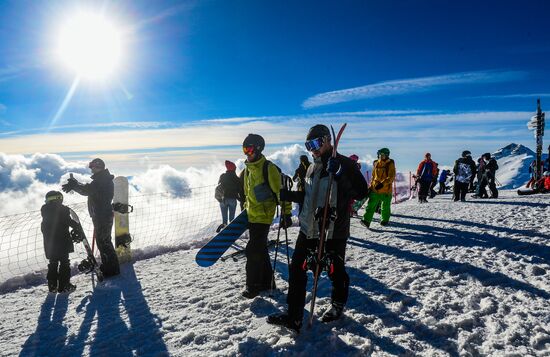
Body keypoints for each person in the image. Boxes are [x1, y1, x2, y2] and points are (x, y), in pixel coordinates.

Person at [267, 124, 369, 332]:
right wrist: (290, 196)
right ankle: (294, 317)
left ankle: (337, 304)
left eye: (315, 143)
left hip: (333, 230)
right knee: (297, 269)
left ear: (327, 140)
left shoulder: (345, 164)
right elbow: (308, 197)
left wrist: (340, 173)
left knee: (334, 270)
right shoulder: (312, 168)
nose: (312, 148)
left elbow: (361, 192)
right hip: (308, 228)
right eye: (308, 145)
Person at [240, 134, 290, 298]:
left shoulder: (268, 168)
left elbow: (281, 192)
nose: (247, 152)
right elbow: (248, 194)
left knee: (252, 250)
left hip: (264, 216)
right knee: (260, 249)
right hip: (252, 216)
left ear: (259, 148)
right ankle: (268, 283)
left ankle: (253, 286)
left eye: (249, 149)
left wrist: (286, 213)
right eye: (244, 149)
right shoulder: (248, 169)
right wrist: (245, 210)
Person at [62, 158, 120, 277]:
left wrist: (75, 185)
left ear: (99, 167)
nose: (92, 169)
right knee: (103, 241)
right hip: (101, 214)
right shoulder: (102, 179)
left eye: (93, 167)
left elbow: (87, 190)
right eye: (91, 167)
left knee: (104, 242)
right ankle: (110, 267)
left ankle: (111, 270)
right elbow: (89, 189)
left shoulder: (101, 179)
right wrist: (75, 184)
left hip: (102, 215)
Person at [41, 191, 78, 293]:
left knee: (53, 263)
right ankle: (64, 285)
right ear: (59, 199)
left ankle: (52, 286)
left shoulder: (45, 211)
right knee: (64, 263)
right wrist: (77, 226)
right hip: (62, 242)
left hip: (50, 243)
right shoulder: (62, 210)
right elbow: (68, 221)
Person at [361, 148, 395, 228]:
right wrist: (371, 186)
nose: (380, 156)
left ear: (386, 155)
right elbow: (373, 176)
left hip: (386, 190)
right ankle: (366, 221)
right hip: (375, 189)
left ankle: (384, 220)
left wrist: (382, 184)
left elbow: (391, 177)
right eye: (379, 155)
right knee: (370, 205)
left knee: (385, 207)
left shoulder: (390, 164)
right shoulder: (376, 163)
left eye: (382, 155)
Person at [216, 160, 243, 232]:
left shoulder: (222, 176)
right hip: (232, 199)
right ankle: (230, 232)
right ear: (233, 168)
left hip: (223, 199)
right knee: (232, 219)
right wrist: (240, 199)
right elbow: (240, 189)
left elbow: (219, 185)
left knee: (224, 220)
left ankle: (224, 230)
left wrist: (219, 199)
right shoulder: (236, 178)